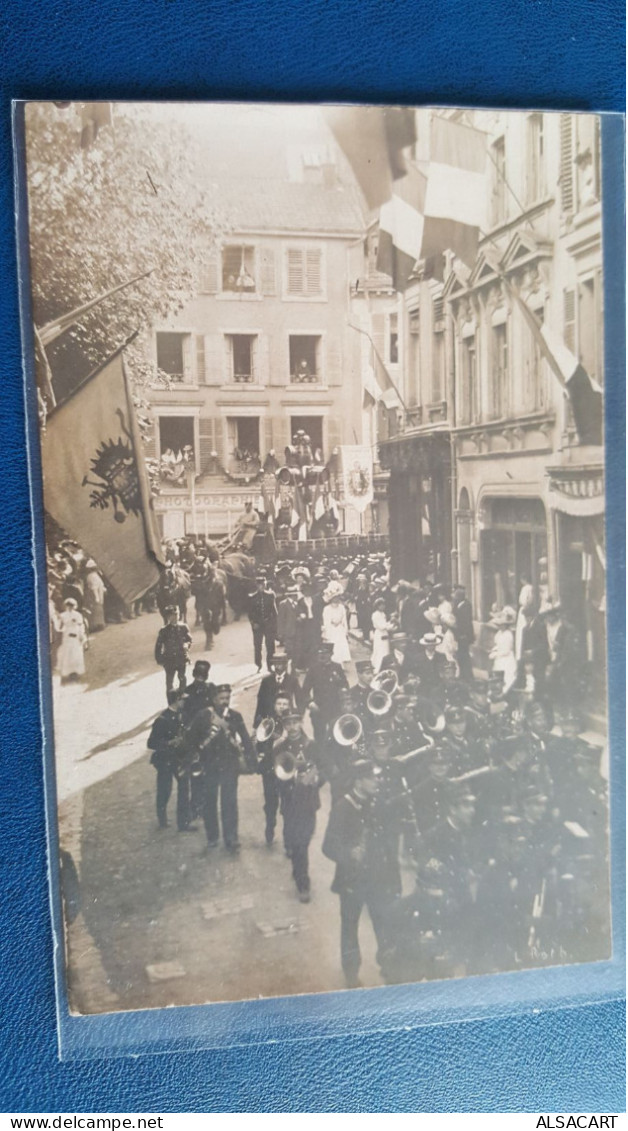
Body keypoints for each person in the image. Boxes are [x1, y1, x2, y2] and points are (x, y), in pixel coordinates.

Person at [189, 684, 256, 853]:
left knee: (229, 802)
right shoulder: (203, 716)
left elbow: (246, 740)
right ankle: (212, 837)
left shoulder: (235, 716)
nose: (225, 702)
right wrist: (194, 756)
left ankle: (231, 838)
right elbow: (191, 738)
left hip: (229, 765)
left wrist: (252, 761)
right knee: (209, 801)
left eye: (227, 698)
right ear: (213, 699)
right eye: (221, 698)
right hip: (209, 765)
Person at [277, 712, 321, 902]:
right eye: (289, 723)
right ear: (285, 726)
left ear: (301, 723)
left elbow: (325, 768)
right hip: (290, 801)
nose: (293, 727)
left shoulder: (312, 746)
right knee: (298, 843)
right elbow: (275, 773)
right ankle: (303, 883)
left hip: (308, 801)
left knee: (303, 840)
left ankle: (298, 870)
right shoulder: (280, 747)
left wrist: (315, 779)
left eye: (296, 722)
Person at [147, 690, 195, 831]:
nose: (185, 702)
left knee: (184, 788)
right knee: (165, 790)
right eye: (183, 700)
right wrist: (169, 743)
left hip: (179, 758)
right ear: (176, 700)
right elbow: (151, 743)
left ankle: (183, 823)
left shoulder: (182, 715)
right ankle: (162, 819)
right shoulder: (162, 720)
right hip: (165, 760)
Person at [255, 689, 292, 846]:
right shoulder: (268, 722)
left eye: (285, 704)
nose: (282, 706)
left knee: (288, 804)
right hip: (270, 767)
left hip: (286, 767)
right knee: (270, 802)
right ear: (274, 705)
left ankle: (288, 840)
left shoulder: (292, 722)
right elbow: (260, 743)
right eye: (279, 703)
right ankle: (270, 827)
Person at [301, 642, 349, 744]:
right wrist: (310, 703)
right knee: (319, 737)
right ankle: (320, 758)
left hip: (335, 709)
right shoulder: (313, 669)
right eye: (320, 653)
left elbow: (345, 687)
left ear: (331, 654)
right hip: (318, 709)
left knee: (336, 735)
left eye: (325, 653)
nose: (322, 656)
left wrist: (338, 680)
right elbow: (304, 691)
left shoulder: (337, 667)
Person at [253, 649, 300, 725]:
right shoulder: (266, 681)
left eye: (280, 663)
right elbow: (260, 703)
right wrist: (256, 724)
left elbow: (300, 700)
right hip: (269, 718)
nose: (277, 666)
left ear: (285, 664)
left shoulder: (293, 680)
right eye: (275, 663)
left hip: (287, 718)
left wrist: (297, 716)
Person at [154, 606, 192, 694]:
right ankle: (171, 700)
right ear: (168, 618)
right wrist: (159, 659)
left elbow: (189, 639)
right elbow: (158, 646)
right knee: (169, 681)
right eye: (172, 616)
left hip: (181, 657)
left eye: (176, 615)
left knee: (182, 677)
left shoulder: (183, 627)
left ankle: (183, 697)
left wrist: (187, 645)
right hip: (169, 659)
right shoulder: (164, 630)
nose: (175, 617)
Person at [248, 574, 278, 672]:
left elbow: (274, 612)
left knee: (270, 645)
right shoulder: (252, 597)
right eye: (259, 585)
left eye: (263, 584)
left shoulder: (270, 595)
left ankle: (270, 665)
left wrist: (274, 625)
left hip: (268, 623)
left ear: (265, 585)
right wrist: (253, 623)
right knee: (257, 645)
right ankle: (258, 664)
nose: (261, 587)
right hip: (257, 625)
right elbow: (250, 613)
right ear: (256, 585)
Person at [489, 606, 518, 696]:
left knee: (507, 680)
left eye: (502, 625)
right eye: (499, 625)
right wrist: (494, 650)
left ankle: (505, 696)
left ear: (506, 625)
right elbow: (497, 645)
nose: (500, 626)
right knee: (497, 679)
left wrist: (496, 654)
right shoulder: (499, 633)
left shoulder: (508, 635)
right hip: (499, 659)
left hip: (506, 659)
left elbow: (506, 650)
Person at [57, 597, 87, 683]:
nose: (70, 608)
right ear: (65, 606)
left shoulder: (78, 615)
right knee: (68, 654)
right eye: (68, 606)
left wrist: (82, 635)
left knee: (76, 654)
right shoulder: (62, 615)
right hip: (67, 636)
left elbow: (81, 626)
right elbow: (60, 627)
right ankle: (69, 672)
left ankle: (76, 672)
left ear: (75, 606)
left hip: (76, 635)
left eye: (72, 606)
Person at [452, 584, 475, 682]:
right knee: (461, 655)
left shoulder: (466, 605)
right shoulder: (458, 605)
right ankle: (464, 674)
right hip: (460, 635)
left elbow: (466, 622)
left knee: (464, 655)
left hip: (464, 635)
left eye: (456, 597)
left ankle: (467, 676)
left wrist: (463, 634)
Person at [322, 593, 351, 666]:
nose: (337, 599)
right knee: (333, 646)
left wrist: (345, 631)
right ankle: (332, 664)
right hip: (331, 629)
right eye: (335, 597)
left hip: (340, 629)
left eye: (338, 597)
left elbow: (344, 620)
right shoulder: (327, 608)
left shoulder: (341, 607)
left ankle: (340, 664)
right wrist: (326, 632)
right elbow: (326, 621)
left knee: (340, 646)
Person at [83, 560, 106, 633]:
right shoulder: (92, 576)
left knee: (99, 609)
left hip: (99, 592)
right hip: (94, 594)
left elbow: (100, 584)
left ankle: (100, 624)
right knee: (96, 609)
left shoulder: (95, 575)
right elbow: (94, 587)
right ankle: (96, 625)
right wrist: (97, 597)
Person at [370, 596, 391, 673]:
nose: (383, 606)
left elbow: (385, 624)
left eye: (384, 605)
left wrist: (389, 624)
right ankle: (377, 667)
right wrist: (390, 625)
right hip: (379, 634)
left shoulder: (383, 614)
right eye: (381, 605)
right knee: (379, 650)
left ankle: (384, 666)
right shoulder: (375, 615)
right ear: (377, 606)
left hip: (385, 633)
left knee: (385, 650)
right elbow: (381, 626)